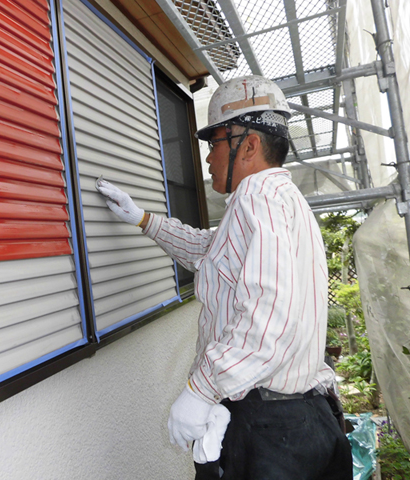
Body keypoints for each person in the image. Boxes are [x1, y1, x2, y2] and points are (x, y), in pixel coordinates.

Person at [96, 76, 352, 480]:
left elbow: (270, 316)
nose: (209, 157)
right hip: (305, 422)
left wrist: (202, 389)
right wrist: (145, 220)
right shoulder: (283, 202)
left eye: (214, 142)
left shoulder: (256, 196)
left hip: (270, 430)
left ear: (248, 145)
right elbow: (209, 250)